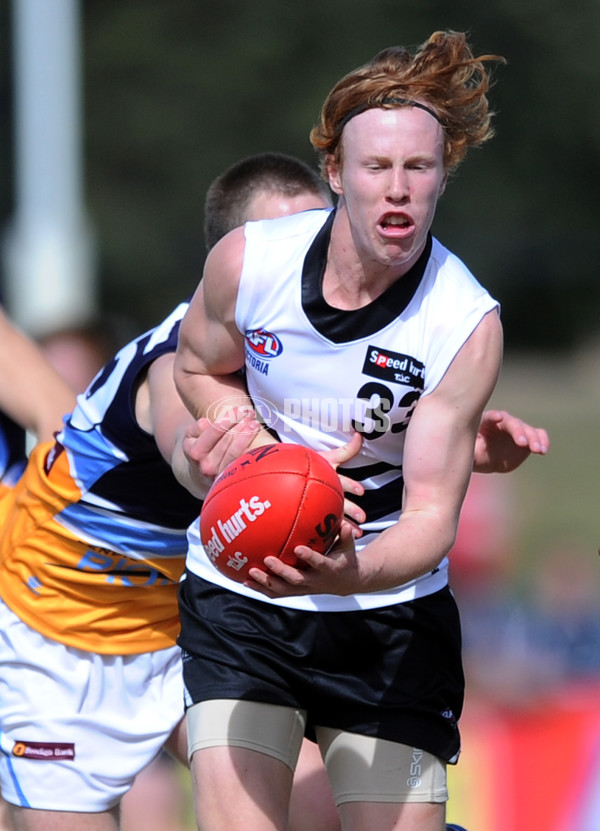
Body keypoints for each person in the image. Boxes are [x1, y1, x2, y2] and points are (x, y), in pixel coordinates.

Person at [174, 31, 518, 831]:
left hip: (388, 608)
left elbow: (432, 521)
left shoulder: (462, 324)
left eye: (418, 168)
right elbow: (197, 367)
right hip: (244, 592)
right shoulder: (248, 263)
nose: (397, 190)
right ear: (335, 174)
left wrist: (342, 573)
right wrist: (257, 448)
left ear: (442, 177)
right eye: (375, 168)